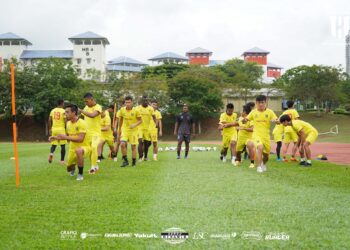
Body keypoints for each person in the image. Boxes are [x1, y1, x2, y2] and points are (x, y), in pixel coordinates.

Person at [49, 104, 91, 181]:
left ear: (74, 112)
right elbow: (67, 136)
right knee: (69, 169)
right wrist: (55, 137)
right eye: (65, 112)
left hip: (85, 147)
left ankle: (80, 174)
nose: (65, 114)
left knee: (78, 151)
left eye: (67, 112)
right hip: (72, 149)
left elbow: (80, 139)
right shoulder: (68, 123)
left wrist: (65, 137)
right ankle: (73, 166)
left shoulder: (82, 123)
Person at [245, 95, 279, 173]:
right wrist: (244, 120)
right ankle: (259, 167)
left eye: (262, 102)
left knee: (266, 156)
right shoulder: (253, 112)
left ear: (265, 103)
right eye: (259, 103)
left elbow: (276, 120)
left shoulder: (270, 112)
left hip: (266, 136)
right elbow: (246, 119)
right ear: (256, 103)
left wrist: (276, 121)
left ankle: (263, 163)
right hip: (256, 134)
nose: (261, 104)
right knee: (259, 147)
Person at [79, 93, 102, 174]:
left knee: (94, 147)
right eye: (85, 102)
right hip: (87, 133)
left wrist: (81, 111)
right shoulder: (86, 107)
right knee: (90, 151)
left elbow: (92, 115)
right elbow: (81, 116)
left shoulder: (98, 107)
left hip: (96, 133)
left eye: (87, 101)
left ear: (92, 99)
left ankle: (92, 167)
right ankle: (95, 166)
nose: (86, 103)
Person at [118, 96, 142, 167]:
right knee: (122, 144)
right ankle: (125, 161)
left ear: (132, 102)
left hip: (134, 131)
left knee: (133, 147)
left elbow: (140, 120)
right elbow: (121, 120)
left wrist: (134, 124)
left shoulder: (136, 111)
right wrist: (119, 130)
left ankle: (134, 162)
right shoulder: (122, 110)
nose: (127, 104)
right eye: (126, 102)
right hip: (125, 130)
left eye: (129, 102)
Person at [136, 96, 157, 161]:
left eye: (147, 101)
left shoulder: (150, 108)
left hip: (147, 129)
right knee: (140, 142)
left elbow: (154, 117)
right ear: (142, 101)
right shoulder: (137, 108)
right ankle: (140, 157)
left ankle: (145, 157)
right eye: (144, 101)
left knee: (146, 143)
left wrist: (155, 124)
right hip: (139, 128)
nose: (145, 102)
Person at [48, 99, 67, 164]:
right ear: (62, 103)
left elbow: (49, 120)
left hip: (54, 129)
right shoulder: (63, 111)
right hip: (61, 129)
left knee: (53, 144)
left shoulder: (53, 110)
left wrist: (50, 129)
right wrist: (66, 129)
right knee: (63, 145)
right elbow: (65, 121)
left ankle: (51, 153)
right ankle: (62, 160)